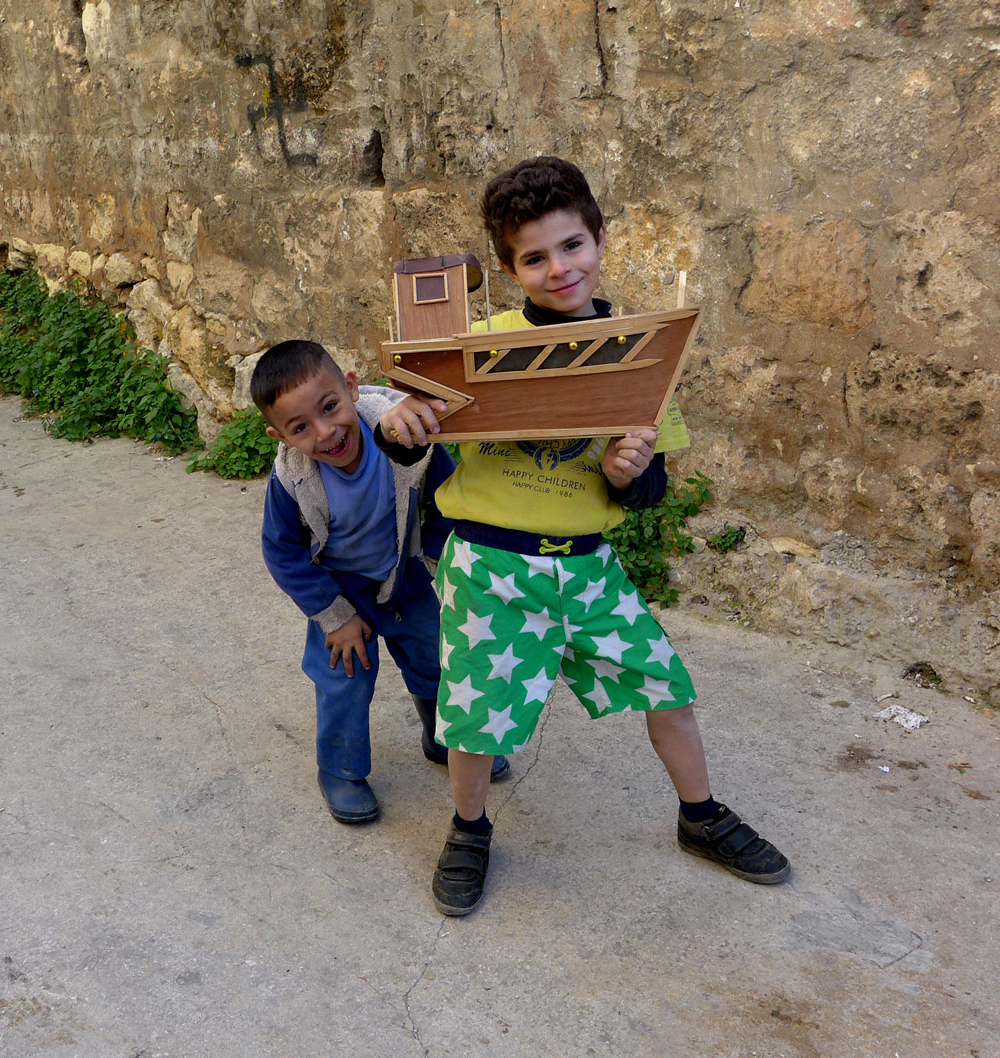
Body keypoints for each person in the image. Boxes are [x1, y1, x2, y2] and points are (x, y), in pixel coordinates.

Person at [377, 156, 789, 915]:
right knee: (473, 715)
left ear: (600, 240)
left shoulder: (642, 354)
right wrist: (398, 428)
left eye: (572, 246)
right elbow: (413, 437)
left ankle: (700, 817)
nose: (558, 268)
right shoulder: (477, 346)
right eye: (534, 256)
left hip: (589, 569)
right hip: (490, 568)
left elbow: (650, 488)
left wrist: (632, 473)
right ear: (510, 268)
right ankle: (469, 830)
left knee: (668, 688)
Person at [255, 340, 508, 824]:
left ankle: (444, 738)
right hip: (341, 591)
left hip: (404, 575)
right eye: (301, 427)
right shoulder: (291, 478)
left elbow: (450, 500)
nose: (326, 433)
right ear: (280, 436)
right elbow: (281, 551)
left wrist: (436, 559)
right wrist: (334, 616)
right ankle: (341, 770)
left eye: (330, 407)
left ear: (351, 386)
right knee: (343, 679)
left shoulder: (403, 434)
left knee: (439, 658)